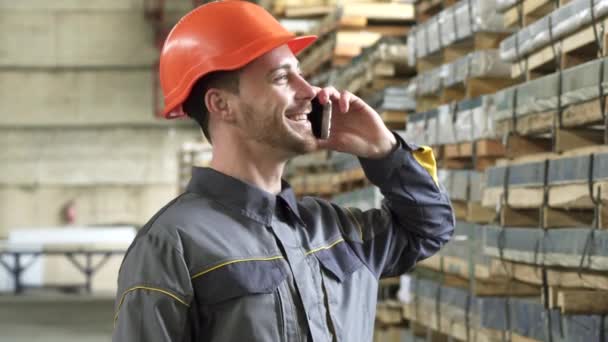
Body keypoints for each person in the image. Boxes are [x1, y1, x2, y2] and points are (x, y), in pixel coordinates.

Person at [112, 1, 454, 341]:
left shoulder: (334, 230)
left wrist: (386, 151)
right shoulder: (171, 246)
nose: (309, 91)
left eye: (300, 74)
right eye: (281, 78)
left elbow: (430, 228)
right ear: (221, 105)